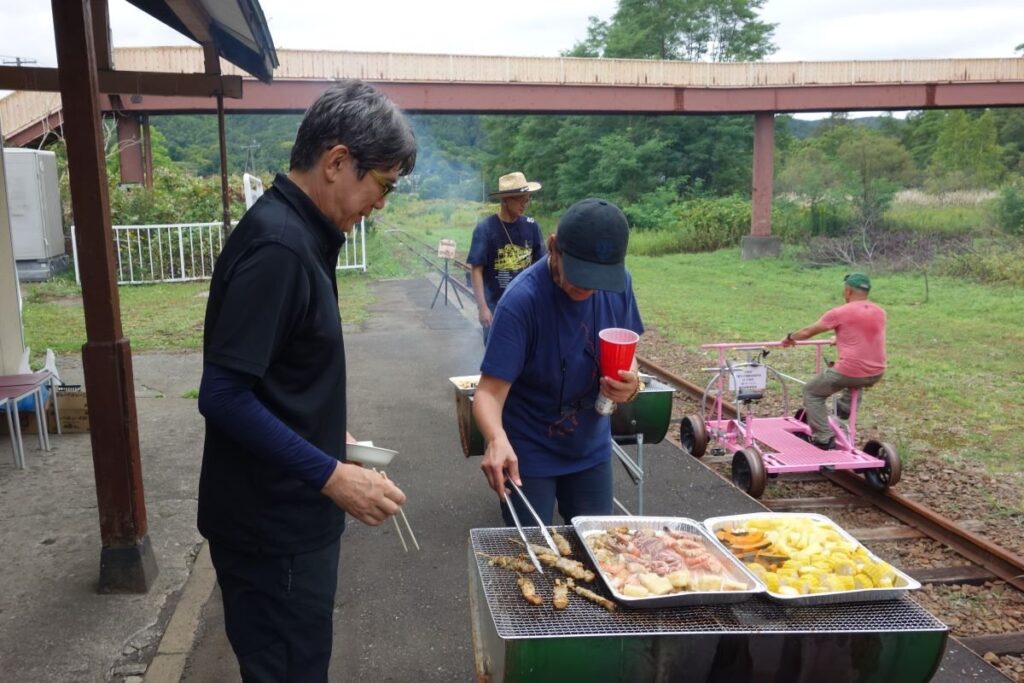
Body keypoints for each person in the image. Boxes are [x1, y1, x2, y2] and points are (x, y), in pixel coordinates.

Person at [196, 80, 415, 682]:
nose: (381, 203)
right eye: (383, 185)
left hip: (283, 519)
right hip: (274, 530)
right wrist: (331, 474)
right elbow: (222, 395)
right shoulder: (280, 248)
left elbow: (272, 371)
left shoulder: (299, 234)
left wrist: (324, 428)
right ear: (337, 161)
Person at [474, 198, 644, 525]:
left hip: (591, 450)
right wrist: (496, 439)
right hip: (528, 453)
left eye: (599, 280)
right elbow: (488, 393)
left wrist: (631, 382)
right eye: (581, 276)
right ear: (553, 247)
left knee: (597, 551)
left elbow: (630, 352)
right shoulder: (521, 302)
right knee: (532, 556)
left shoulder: (619, 285)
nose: (590, 288)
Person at [781, 272, 886, 449]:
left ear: (848, 290)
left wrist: (791, 337)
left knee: (812, 392)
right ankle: (844, 407)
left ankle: (823, 437)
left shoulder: (840, 312)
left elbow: (808, 332)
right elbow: (864, 333)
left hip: (849, 371)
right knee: (857, 379)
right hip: (876, 372)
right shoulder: (880, 312)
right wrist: (839, 338)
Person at [467, 172, 546, 342]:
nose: (524, 204)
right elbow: (476, 270)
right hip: (495, 308)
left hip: (527, 307)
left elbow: (542, 267)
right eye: (519, 199)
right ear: (505, 200)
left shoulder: (531, 226)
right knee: (496, 359)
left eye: (527, 199)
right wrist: (482, 308)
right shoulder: (485, 229)